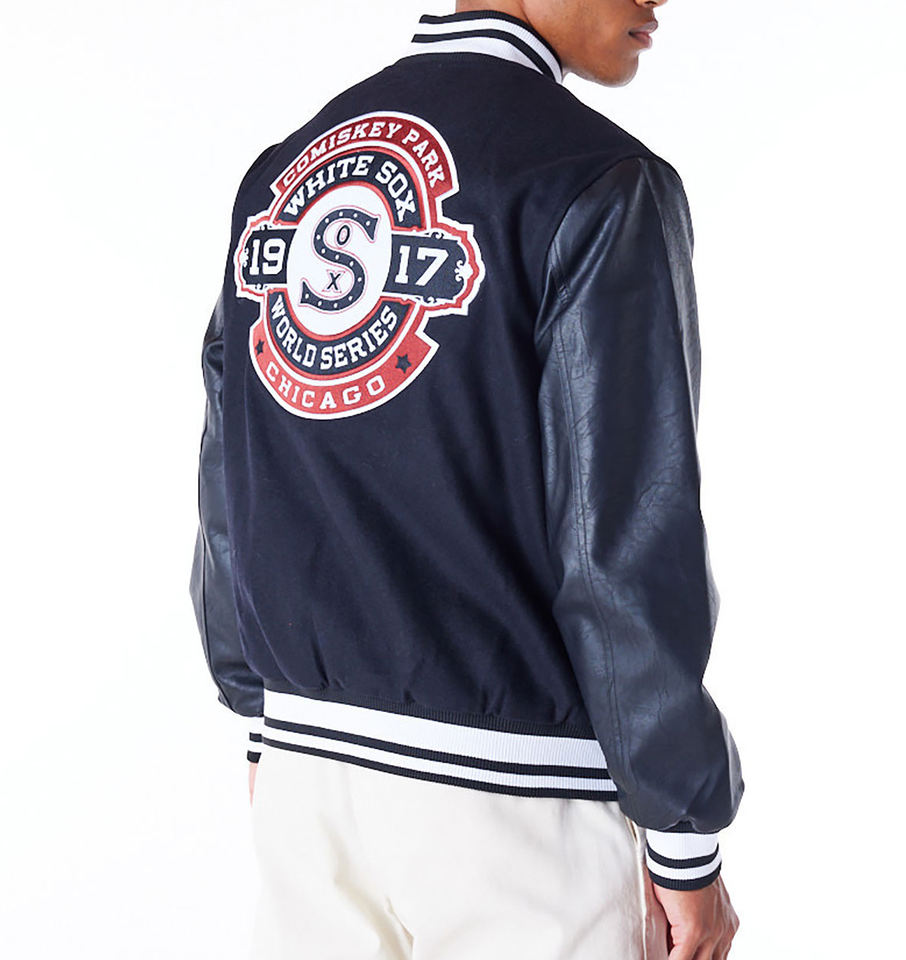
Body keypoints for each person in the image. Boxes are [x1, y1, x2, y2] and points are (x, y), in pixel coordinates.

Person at [190, 2, 744, 957]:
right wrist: (683, 832)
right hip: (519, 805)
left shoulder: (281, 177)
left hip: (308, 783)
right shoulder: (596, 181)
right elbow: (620, 538)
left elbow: (230, 474)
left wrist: (262, 714)